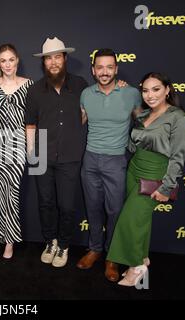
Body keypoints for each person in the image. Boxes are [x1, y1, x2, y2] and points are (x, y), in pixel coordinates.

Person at [107, 72, 185, 286]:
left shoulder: (179, 118)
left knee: (130, 220)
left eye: (155, 89)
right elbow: (133, 145)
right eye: (145, 90)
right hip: (134, 170)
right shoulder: (143, 115)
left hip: (156, 174)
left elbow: (178, 157)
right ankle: (142, 257)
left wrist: (167, 187)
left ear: (167, 90)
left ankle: (136, 266)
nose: (150, 95)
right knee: (140, 221)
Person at [76, 48, 142, 282]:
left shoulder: (131, 93)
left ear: (116, 69)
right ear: (93, 71)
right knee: (93, 207)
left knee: (114, 211)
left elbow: (143, 121)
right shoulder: (86, 94)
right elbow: (79, 122)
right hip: (90, 159)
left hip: (116, 160)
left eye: (109, 67)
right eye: (100, 67)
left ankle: (111, 257)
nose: (105, 72)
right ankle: (94, 249)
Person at [25, 37, 88, 268]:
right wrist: (32, 153)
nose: (53, 62)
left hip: (70, 156)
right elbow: (30, 125)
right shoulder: (34, 90)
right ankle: (50, 241)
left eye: (57, 57)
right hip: (42, 155)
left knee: (67, 205)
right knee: (45, 202)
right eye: (48, 58)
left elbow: (88, 112)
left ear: (65, 58)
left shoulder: (81, 84)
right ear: (43, 62)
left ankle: (63, 245)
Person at [0, 44, 33, 259]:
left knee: (11, 192)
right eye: (3, 60)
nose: (7, 64)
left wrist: (30, 145)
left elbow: (32, 119)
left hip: (18, 144)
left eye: (11, 59)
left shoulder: (29, 85)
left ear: (17, 61)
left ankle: (10, 240)